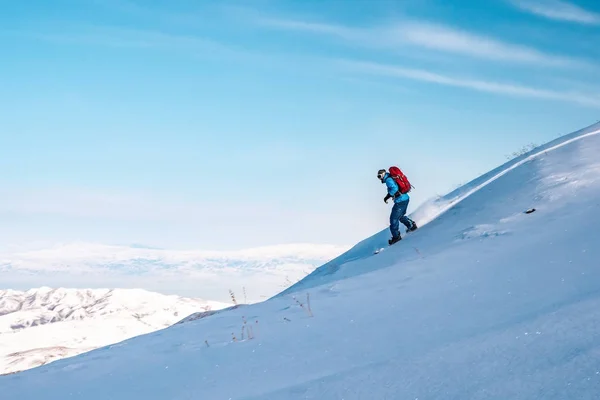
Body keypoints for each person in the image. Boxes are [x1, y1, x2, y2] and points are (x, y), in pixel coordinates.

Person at [377, 168, 417, 245]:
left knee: (393, 219)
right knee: (400, 216)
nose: (379, 178)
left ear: (383, 174)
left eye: (379, 176)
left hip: (400, 201)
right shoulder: (390, 178)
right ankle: (411, 225)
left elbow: (395, 188)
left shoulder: (388, 180)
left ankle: (396, 237)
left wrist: (387, 196)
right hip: (405, 199)